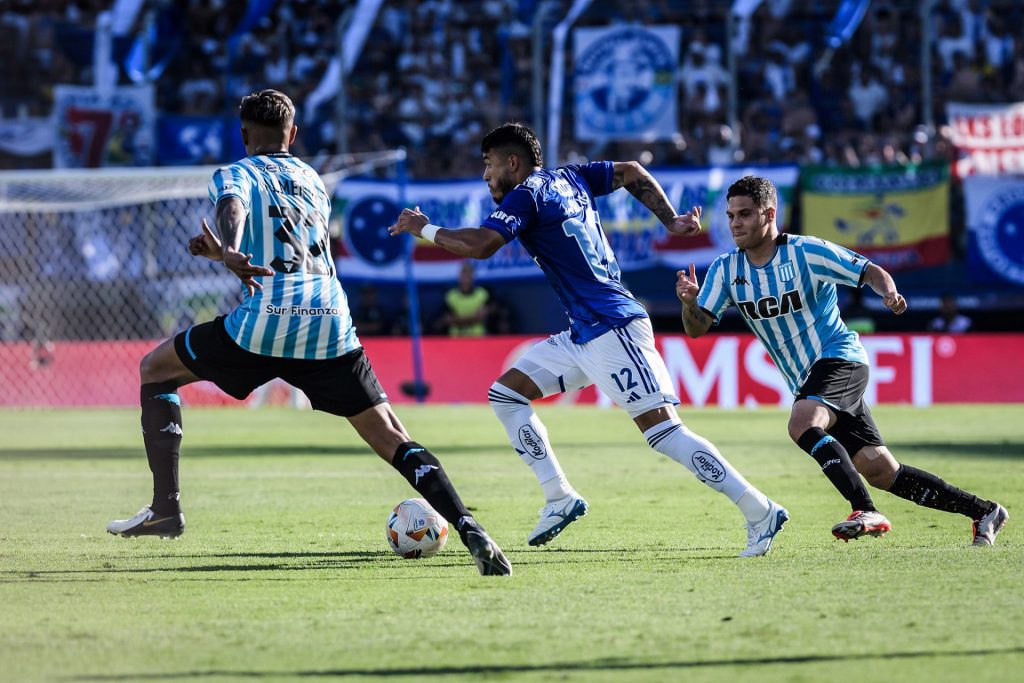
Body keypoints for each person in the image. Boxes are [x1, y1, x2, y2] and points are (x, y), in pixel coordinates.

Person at [106, 89, 511, 576]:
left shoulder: (233, 172)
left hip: (266, 319)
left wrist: (229, 251)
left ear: (243, 134)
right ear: (292, 135)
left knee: (155, 369)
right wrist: (225, 253)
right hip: (328, 319)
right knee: (391, 436)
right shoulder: (312, 178)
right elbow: (291, 240)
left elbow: (233, 207)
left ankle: (165, 509)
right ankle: (469, 526)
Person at [390, 122, 788, 557]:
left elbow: (484, 244)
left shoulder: (528, 194)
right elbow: (632, 171)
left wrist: (425, 229)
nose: (486, 177)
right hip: (584, 332)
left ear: (512, 163)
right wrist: (670, 218)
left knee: (665, 433)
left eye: (488, 165)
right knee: (506, 394)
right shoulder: (571, 177)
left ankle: (759, 510)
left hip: (613, 327)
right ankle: (559, 497)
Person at [675, 175, 1007, 545]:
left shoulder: (805, 252)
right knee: (880, 469)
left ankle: (864, 509)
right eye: (731, 215)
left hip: (840, 357)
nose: (735, 223)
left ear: (769, 214)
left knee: (802, 422)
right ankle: (984, 511)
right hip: (807, 378)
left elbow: (868, 271)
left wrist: (890, 293)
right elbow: (696, 328)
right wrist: (690, 304)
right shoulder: (725, 270)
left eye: (745, 214)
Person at [437, 260, 491, 336]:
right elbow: (447, 319)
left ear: (473, 277)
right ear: (459, 277)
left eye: (468, 276)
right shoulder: (451, 295)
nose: (466, 279)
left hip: (478, 337)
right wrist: (473, 318)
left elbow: (482, 317)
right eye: (463, 275)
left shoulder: (482, 294)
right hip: (456, 339)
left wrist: (457, 320)